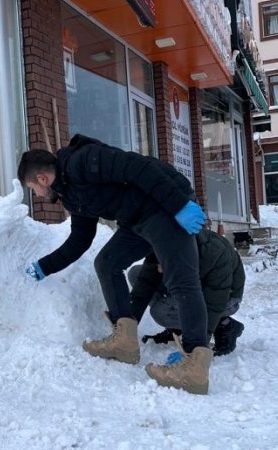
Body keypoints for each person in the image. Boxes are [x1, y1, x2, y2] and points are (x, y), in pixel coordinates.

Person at [18, 133, 212, 395]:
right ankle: (124, 340)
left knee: (181, 280)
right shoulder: (71, 195)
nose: (38, 195)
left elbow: (140, 168)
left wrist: (178, 206)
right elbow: (79, 241)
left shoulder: (82, 162)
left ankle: (194, 366)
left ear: (42, 179)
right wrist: (44, 267)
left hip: (164, 206)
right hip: (137, 219)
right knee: (107, 262)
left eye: (34, 189)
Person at [127, 227, 245, 356]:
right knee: (136, 274)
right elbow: (146, 279)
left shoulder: (214, 253)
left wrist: (197, 343)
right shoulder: (164, 240)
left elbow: (216, 300)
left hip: (226, 297)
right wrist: (128, 322)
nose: (160, 270)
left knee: (161, 312)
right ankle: (177, 329)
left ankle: (224, 324)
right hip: (192, 286)